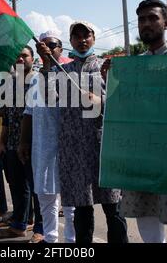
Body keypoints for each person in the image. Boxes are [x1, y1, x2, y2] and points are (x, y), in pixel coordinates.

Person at [103, 0, 167, 243]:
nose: (146, 23)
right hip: (139, 158)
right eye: (142, 19)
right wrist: (111, 77)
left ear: (166, 22)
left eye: (152, 18)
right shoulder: (134, 65)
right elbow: (121, 111)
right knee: (146, 218)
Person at [37, 21, 129, 244]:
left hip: (103, 148)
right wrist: (47, 63)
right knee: (82, 211)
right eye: (76, 36)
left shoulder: (106, 68)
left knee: (113, 208)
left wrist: (101, 101)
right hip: (74, 150)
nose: (82, 40)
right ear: (71, 41)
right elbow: (48, 98)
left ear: (94, 38)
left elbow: (123, 103)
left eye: (86, 35)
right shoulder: (63, 70)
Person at [19, 31, 76, 243]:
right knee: (45, 196)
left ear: (61, 49)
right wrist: (24, 141)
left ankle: (71, 241)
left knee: (70, 201)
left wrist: (47, 66)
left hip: (67, 146)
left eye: (53, 45)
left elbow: (56, 98)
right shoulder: (35, 79)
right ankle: (50, 239)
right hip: (41, 146)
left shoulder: (70, 73)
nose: (49, 49)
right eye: (44, 46)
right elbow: (29, 112)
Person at [0, 46, 43, 241]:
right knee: (17, 186)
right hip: (13, 144)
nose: (21, 59)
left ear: (33, 58)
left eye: (25, 55)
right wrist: (1, 142)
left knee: (38, 190)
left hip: (34, 144)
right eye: (18, 56)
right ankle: (19, 225)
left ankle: (40, 228)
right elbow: (7, 115)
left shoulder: (39, 80)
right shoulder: (10, 83)